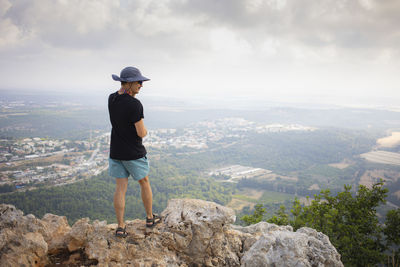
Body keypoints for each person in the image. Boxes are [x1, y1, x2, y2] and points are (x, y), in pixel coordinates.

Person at [108, 66, 161, 238]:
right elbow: (141, 132)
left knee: (120, 188)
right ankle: (150, 218)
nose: (141, 85)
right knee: (144, 182)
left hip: (116, 151)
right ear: (129, 83)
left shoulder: (112, 99)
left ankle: (121, 227)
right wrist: (146, 132)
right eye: (139, 82)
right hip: (133, 153)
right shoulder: (135, 104)